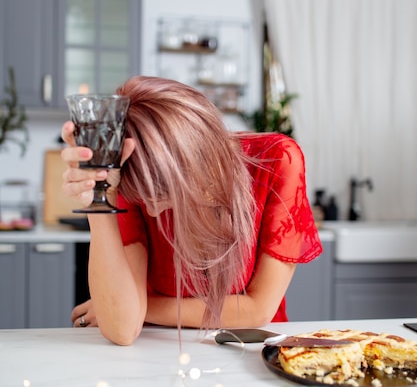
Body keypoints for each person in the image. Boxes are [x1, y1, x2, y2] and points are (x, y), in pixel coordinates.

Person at [62, 76, 322, 346]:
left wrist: (136, 307)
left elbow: (258, 310)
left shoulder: (278, 160)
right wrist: (98, 194)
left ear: (196, 161)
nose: (150, 210)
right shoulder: (137, 173)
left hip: (251, 350)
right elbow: (123, 330)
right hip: (157, 350)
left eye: (162, 194)